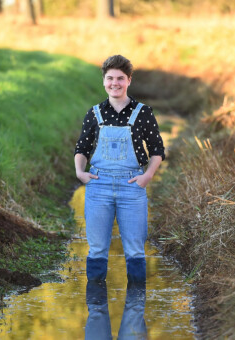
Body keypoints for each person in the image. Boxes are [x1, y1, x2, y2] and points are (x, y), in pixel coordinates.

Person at [74, 55, 165, 283]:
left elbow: (157, 150)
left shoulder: (143, 112)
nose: (115, 83)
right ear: (104, 81)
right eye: (110, 78)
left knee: (135, 251)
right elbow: (82, 148)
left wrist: (147, 176)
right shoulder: (94, 113)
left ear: (129, 81)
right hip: (98, 186)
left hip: (132, 187)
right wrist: (80, 172)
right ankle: (96, 308)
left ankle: (135, 306)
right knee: (96, 250)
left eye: (120, 78)